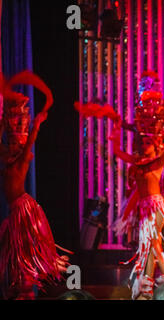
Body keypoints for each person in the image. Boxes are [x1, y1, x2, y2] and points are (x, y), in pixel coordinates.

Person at [109, 72, 164, 300]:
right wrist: (114, 132)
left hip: (156, 208)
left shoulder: (158, 161)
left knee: (154, 246)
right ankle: (148, 287)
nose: (144, 145)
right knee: (150, 248)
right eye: (143, 143)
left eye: (148, 142)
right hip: (145, 208)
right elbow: (119, 152)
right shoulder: (139, 163)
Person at [0, 72, 69, 299]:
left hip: (23, 210)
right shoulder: (7, 159)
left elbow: (29, 141)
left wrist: (37, 124)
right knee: (13, 251)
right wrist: (4, 122)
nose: (9, 148)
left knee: (25, 252)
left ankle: (26, 289)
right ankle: (20, 287)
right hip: (15, 211)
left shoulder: (20, 159)